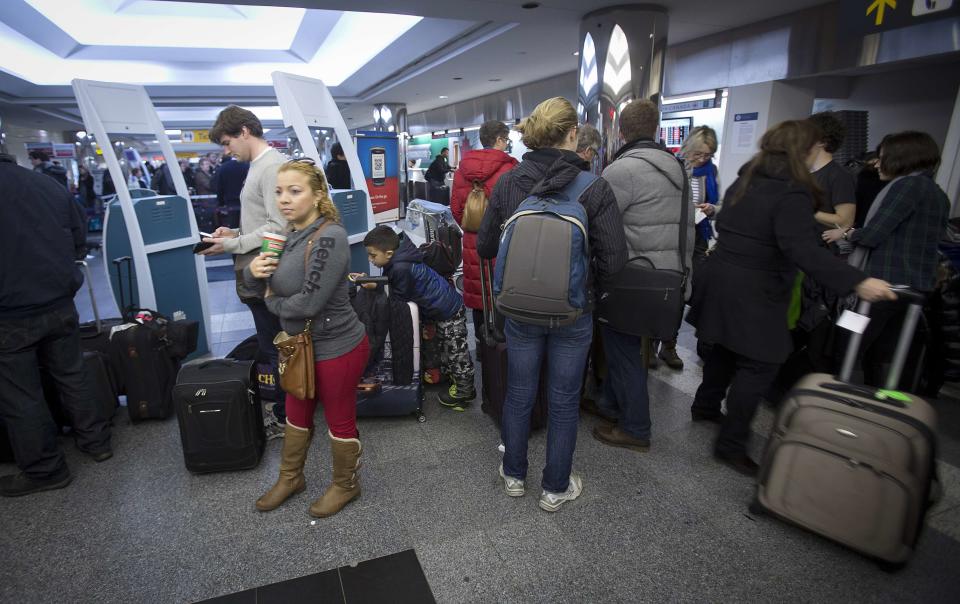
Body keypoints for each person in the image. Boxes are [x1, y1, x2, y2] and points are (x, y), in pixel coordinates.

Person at [686, 120, 895, 476]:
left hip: (720, 278)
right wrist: (857, 281)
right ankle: (732, 443)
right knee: (761, 363)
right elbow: (802, 250)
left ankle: (705, 406)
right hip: (756, 288)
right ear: (806, 150)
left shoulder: (747, 179)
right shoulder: (791, 191)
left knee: (723, 346)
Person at [477, 97, 627, 512]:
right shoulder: (594, 187)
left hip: (519, 311)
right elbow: (614, 262)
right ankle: (555, 487)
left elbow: (486, 244)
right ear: (573, 134)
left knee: (519, 392)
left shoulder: (509, 183)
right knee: (563, 399)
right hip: (573, 312)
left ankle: (513, 475)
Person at [245, 159, 369, 518]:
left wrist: (272, 300)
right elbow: (255, 286)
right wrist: (255, 273)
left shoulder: (330, 235)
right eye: (279, 191)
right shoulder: (286, 234)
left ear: (317, 195)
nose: (284, 199)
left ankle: (346, 484)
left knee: (339, 418)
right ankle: (290, 477)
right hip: (299, 347)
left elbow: (309, 302)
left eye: (295, 191)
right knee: (296, 413)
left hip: (337, 346)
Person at [0, 153, 113, 497]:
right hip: (60, 301)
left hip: (10, 311)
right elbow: (79, 240)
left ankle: (45, 469)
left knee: (21, 394)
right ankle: (96, 442)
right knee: (72, 373)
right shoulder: (46, 184)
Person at [590, 99, 693, 452]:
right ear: (655, 129)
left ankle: (635, 427)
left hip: (630, 278)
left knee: (622, 352)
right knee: (632, 349)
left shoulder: (621, 171)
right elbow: (688, 233)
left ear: (620, 132)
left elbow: (598, 228)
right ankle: (609, 406)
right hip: (667, 278)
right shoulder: (677, 169)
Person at [822, 131, 950, 386]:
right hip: (910, 287)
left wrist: (846, 232)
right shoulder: (937, 193)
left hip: (881, 287)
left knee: (848, 339)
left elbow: (873, 235)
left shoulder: (907, 186)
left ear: (902, 157)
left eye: (882, 158)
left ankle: (835, 397)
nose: (877, 164)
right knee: (881, 352)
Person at [203, 105, 288, 439]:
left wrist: (231, 246)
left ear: (244, 132)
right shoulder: (258, 167)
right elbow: (264, 224)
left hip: (268, 274)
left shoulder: (271, 168)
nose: (226, 151)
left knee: (277, 347)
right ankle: (288, 411)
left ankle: (285, 416)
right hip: (259, 270)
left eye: (227, 142)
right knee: (273, 346)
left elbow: (278, 229)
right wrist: (234, 235)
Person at [362, 225, 476, 408]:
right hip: (442, 306)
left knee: (456, 352)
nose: (370, 259)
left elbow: (399, 299)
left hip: (448, 310)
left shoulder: (400, 268)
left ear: (389, 253)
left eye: (373, 255)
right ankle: (458, 382)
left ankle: (465, 392)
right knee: (449, 349)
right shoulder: (402, 257)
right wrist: (376, 284)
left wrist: (376, 288)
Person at [450, 120, 518, 345]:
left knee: (478, 292)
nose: (506, 144)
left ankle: (481, 347)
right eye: (506, 140)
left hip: (473, 238)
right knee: (502, 289)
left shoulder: (463, 169)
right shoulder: (510, 168)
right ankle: (502, 346)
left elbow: (456, 209)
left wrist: (472, 226)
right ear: (499, 139)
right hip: (503, 238)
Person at [808, 112, 857, 234]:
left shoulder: (840, 175)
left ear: (821, 141)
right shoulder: (804, 173)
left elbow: (845, 222)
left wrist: (806, 210)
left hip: (820, 247)